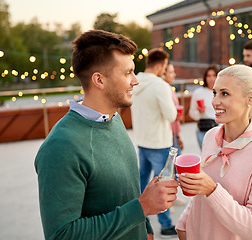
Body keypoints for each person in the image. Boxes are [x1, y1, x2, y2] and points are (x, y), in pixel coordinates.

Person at [35, 30, 178, 240]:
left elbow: (127, 193)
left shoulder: (113, 119)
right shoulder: (61, 147)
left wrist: (145, 228)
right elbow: (62, 235)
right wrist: (142, 208)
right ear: (99, 80)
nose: (135, 81)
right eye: (127, 73)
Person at [176, 64, 252, 239]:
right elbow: (200, 195)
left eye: (224, 93)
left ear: (251, 98)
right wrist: (183, 223)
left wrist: (212, 190)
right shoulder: (210, 137)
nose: (215, 101)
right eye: (215, 93)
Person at [131, 48, 178, 237]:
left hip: (142, 140)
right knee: (163, 185)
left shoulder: (134, 82)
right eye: (165, 67)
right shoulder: (160, 86)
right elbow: (171, 114)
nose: (165, 70)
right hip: (159, 142)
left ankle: (139, 219)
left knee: (142, 182)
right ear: (159, 65)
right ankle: (166, 225)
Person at [188, 65, 220, 149]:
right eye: (208, 76)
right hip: (202, 130)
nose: (211, 78)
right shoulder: (198, 93)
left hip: (218, 130)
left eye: (214, 75)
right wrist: (199, 112)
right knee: (205, 157)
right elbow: (191, 113)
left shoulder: (222, 93)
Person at [163, 63, 183, 155]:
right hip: (167, 134)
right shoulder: (164, 90)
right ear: (163, 73)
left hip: (173, 134)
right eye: (171, 72)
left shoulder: (170, 89)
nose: (174, 74)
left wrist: (178, 135)